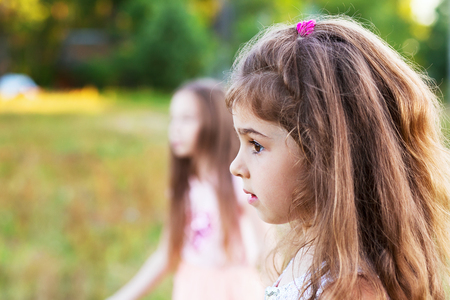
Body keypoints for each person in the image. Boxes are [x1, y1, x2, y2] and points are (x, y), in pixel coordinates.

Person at [226, 16, 450, 300]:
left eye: (256, 145)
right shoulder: (311, 255)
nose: (236, 166)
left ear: (324, 154)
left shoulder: (351, 290)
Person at [107, 79, 268, 300]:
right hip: (190, 288)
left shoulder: (238, 183)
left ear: (214, 122)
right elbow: (166, 255)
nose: (175, 129)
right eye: (173, 119)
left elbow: (268, 249)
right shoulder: (184, 188)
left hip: (233, 290)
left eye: (187, 119)